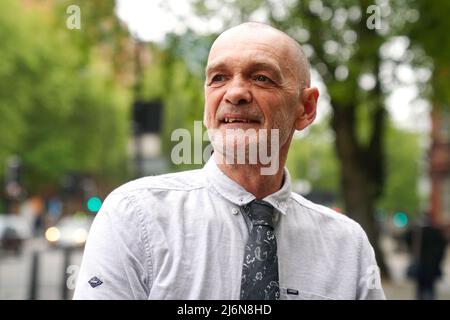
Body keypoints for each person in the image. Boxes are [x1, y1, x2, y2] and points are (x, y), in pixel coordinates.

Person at [73, 22, 385, 300]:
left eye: (261, 78)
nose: (235, 93)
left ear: (306, 108)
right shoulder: (134, 217)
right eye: (218, 77)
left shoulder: (348, 247)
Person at [405, 214, 447, 300]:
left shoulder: (417, 232)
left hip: (420, 263)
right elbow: (443, 246)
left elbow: (406, 238)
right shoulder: (437, 232)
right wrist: (438, 260)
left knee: (420, 288)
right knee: (430, 287)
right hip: (432, 265)